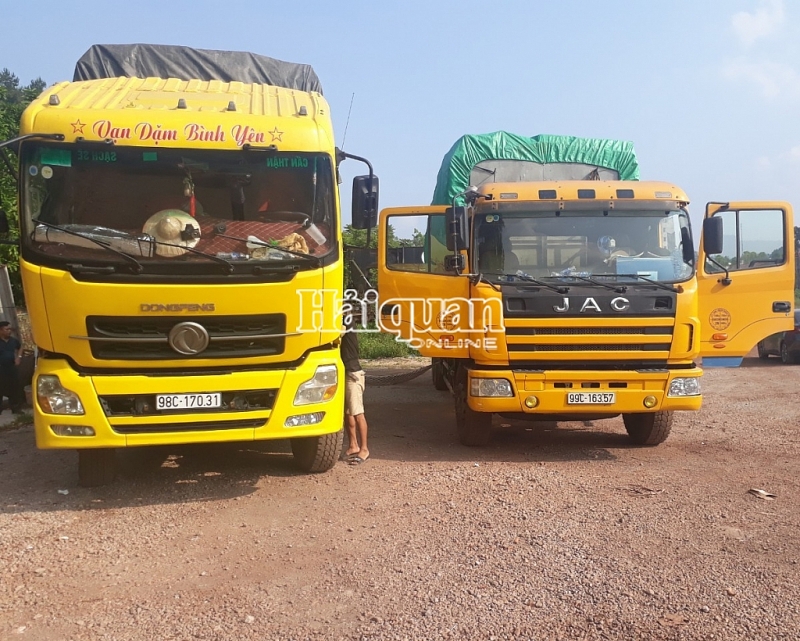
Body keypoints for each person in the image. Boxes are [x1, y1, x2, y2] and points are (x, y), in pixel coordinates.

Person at [341, 322, 369, 465]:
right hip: (345, 373)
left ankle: (364, 449)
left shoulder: (347, 322)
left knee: (358, 413)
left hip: (353, 374)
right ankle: (353, 445)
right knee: (348, 413)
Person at [0, 321, 24, 414]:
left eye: (10, 329)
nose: (9, 331)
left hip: (11, 367)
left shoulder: (13, 340)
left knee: (14, 388)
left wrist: (19, 357)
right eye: (7, 329)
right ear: (1, 330)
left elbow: (20, 347)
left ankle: (16, 408)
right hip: (1, 368)